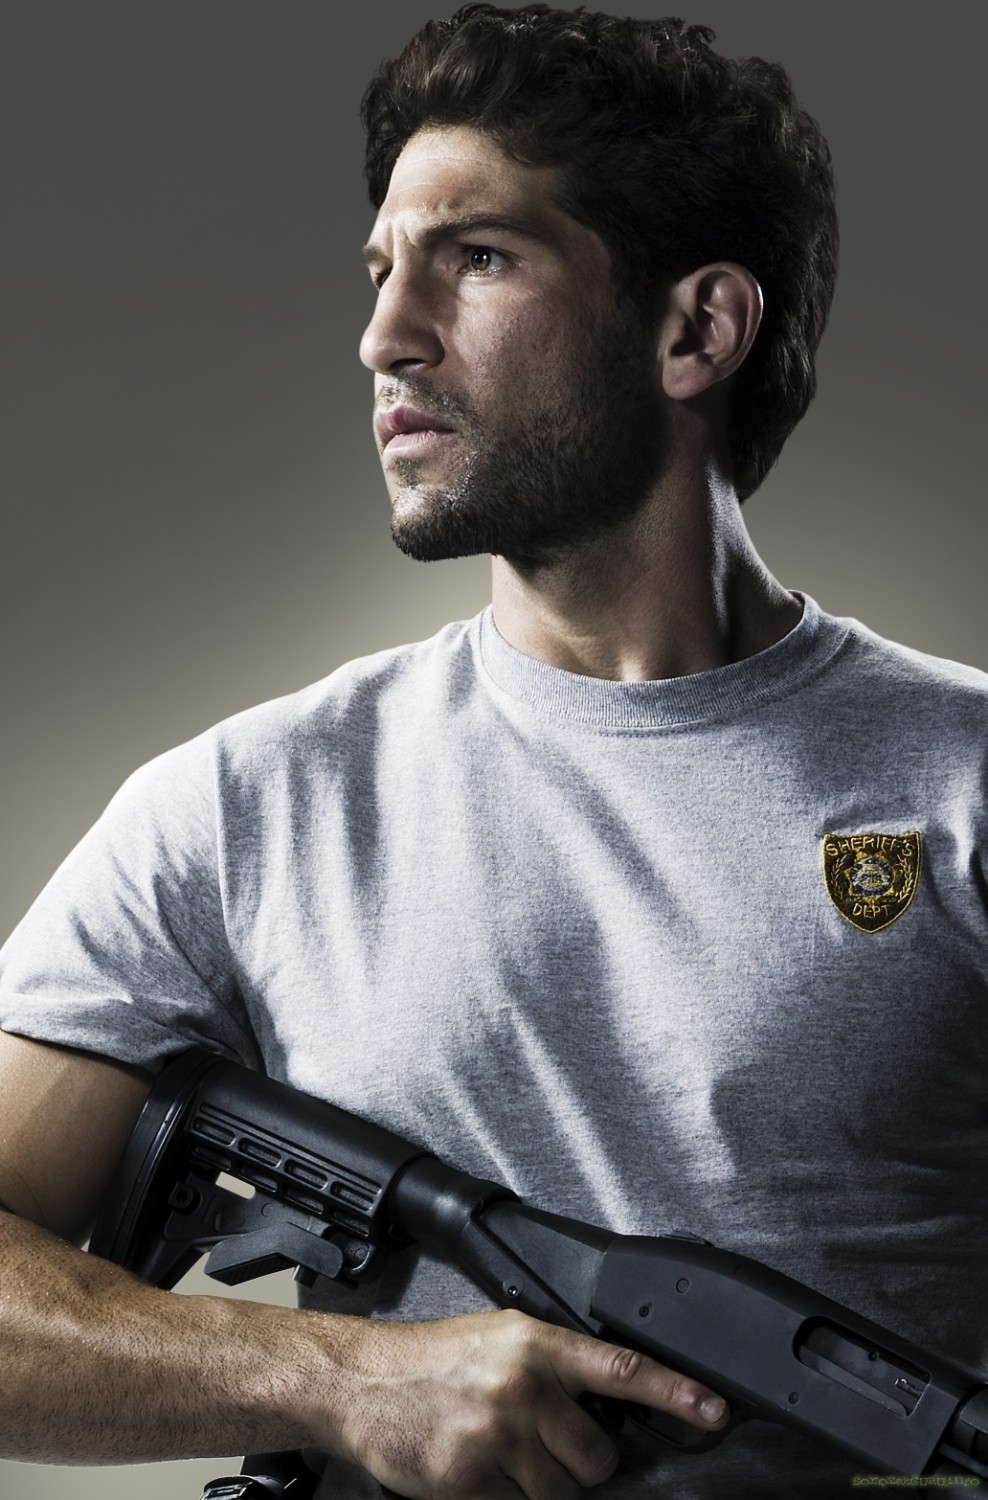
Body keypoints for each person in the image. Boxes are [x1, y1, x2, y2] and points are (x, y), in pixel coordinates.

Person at [0, 5, 985, 1498]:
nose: (384, 336)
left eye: (477, 258)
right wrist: (340, 1379)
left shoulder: (963, 781)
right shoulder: (246, 807)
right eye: (381, 271)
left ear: (697, 331)